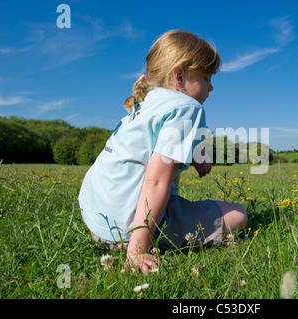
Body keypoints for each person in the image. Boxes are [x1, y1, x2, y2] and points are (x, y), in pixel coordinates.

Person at [78, 30, 247, 275]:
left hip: (97, 218)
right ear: (179, 75)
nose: (211, 88)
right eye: (207, 77)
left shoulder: (147, 102)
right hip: (126, 228)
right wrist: (137, 248)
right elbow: (156, 180)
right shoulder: (187, 107)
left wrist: (194, 148)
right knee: (238, 215)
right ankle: (136, 242)